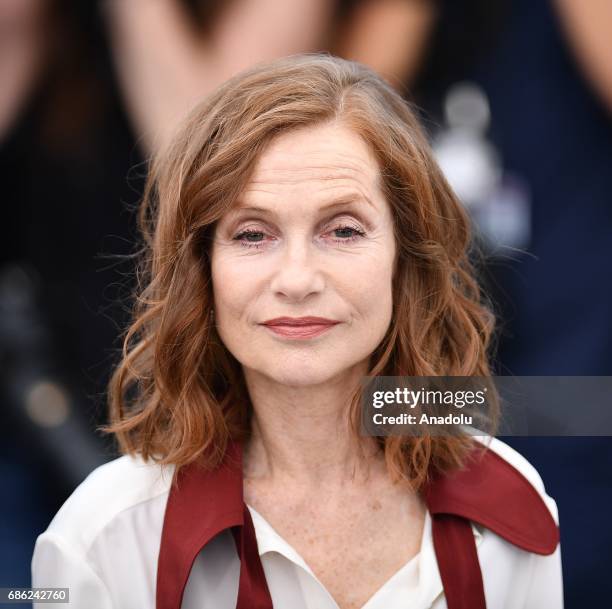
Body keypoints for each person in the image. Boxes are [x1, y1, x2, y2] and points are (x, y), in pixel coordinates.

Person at [31, 54, 562, 609]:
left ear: (406, 260)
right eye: (253, 234)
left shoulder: (510, 509)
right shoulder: (101, 538)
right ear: (201, 269)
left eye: (343, 230)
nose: (298, 280)